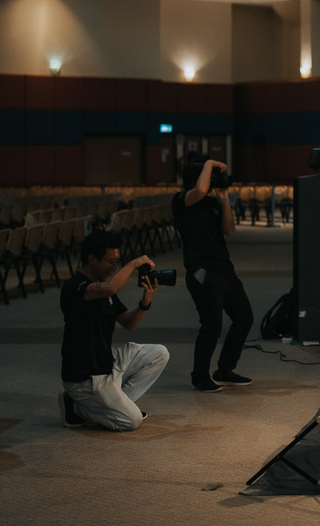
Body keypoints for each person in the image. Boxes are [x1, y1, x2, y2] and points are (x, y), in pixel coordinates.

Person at [59, 230, 169, 432]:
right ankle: (75, 407)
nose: (114, 267)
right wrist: (133, 264)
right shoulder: (74, 287)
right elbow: (110, 288)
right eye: (111, 261)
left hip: (107, 361)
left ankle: (115, 404)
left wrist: (145, 302)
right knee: (132, 421)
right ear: (92, 258)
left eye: (117, 262)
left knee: (159, 353)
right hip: (85, 377)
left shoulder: (105, 289)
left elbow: (128, 323)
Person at [171, 154, 253, 392]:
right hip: (202, 271)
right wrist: (211, 163)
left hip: (224, 269)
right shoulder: (182, 200)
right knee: (212, 325)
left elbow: (229, 229)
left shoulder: (212, 202)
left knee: (244, 318)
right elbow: (200, 188)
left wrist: (225, 199)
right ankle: (200, 376)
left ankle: (225, 370)